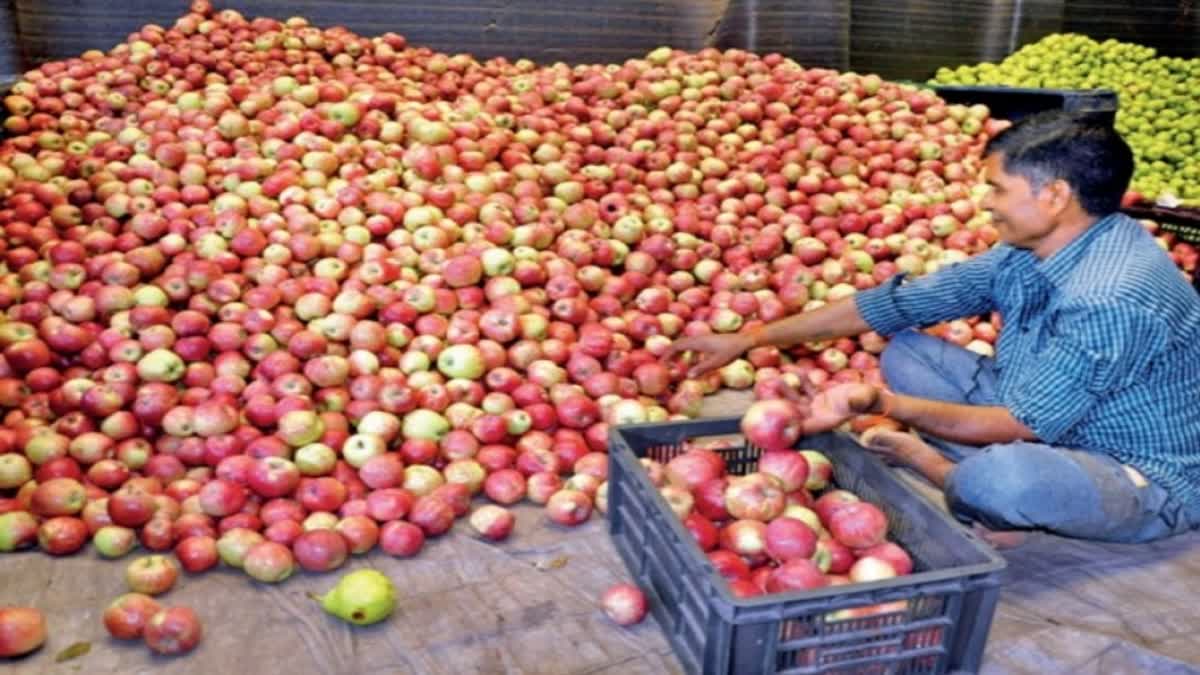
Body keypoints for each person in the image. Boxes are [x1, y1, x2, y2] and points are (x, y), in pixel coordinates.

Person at [666, 111, 1200, 545]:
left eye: (996, 190)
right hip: (1049, 412)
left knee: (1002, 479)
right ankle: (997, 485)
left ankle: (955, 476)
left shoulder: (1111, 295)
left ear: (1054, 196)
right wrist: (750, 338)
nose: (985, 204)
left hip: (1135, 467)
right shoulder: (1031, 251)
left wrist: (885, 406)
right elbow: (896, 305)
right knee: (907, 354)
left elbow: (1024, 422)